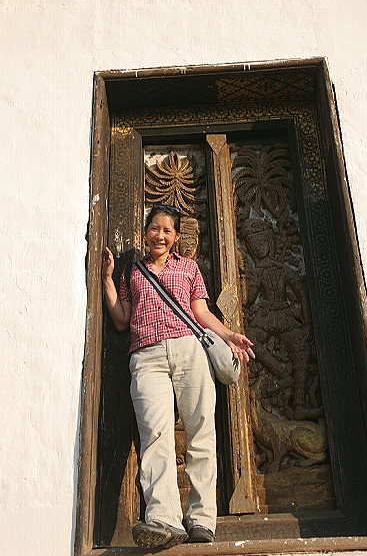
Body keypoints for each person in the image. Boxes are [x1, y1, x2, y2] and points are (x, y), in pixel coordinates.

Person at [102, 203, 255, 550]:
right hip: (146, 356)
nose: (160, 235)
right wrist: (108, 278)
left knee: (200, 431)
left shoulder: (188, 268)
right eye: (155, 228)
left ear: (175, 237)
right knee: (154, 435)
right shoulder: (133, 272)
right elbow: (121, 318)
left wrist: (228, 334)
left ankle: (202, 519)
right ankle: (164, 519)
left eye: (167, 230)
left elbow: (200, 312)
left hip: (188, 349)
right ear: (147, 230)